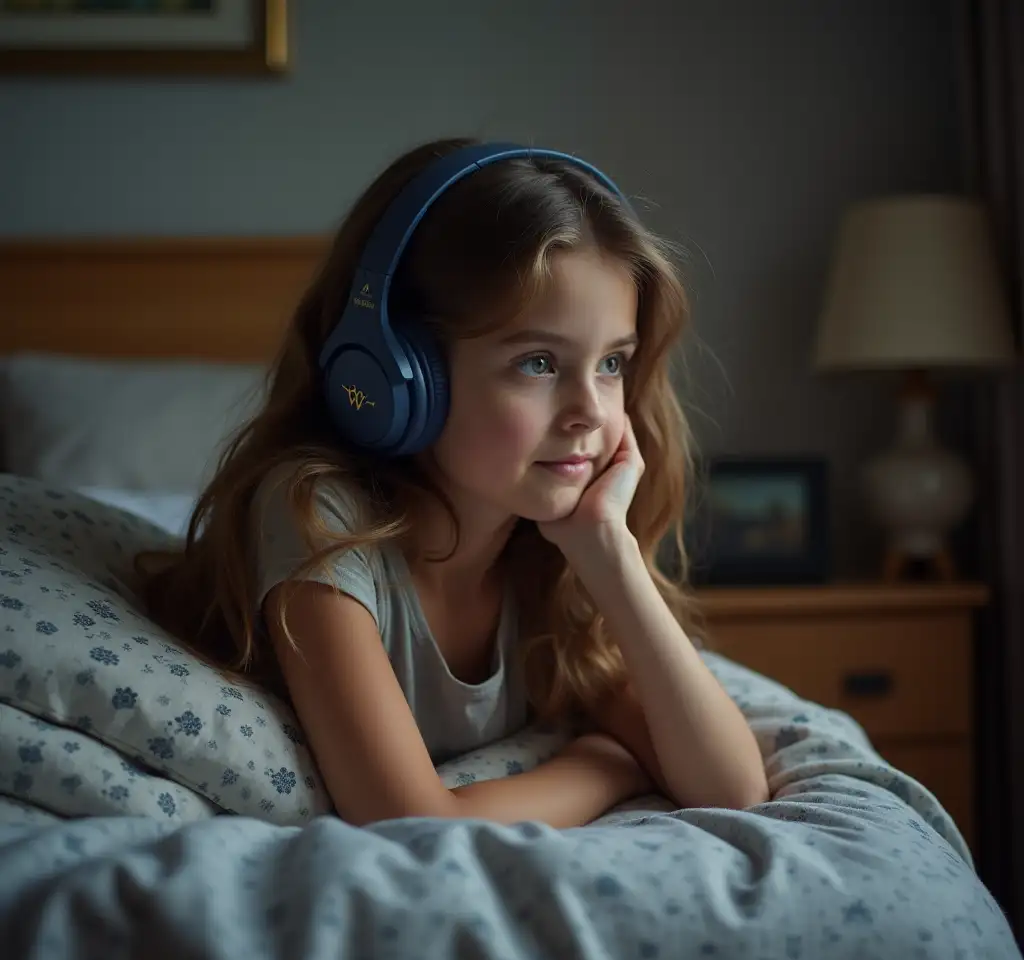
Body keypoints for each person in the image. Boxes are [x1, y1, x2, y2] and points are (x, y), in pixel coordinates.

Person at [139, 138, 769, 830]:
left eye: (613, 363)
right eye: (537, 362)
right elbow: (407, 820)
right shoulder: (319, 515)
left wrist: (608, 553)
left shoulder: (548, 556)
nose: (591, 410)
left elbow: (734, 788)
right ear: (392, 378)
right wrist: (606, 764)